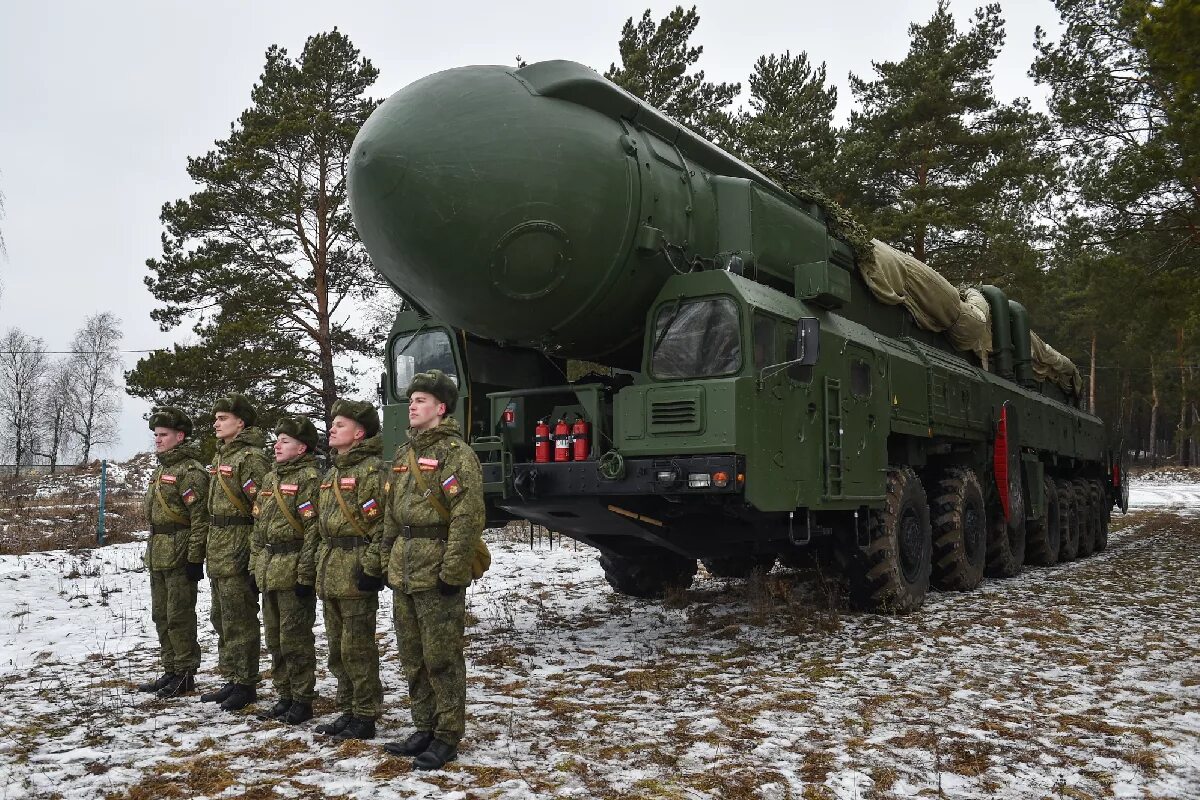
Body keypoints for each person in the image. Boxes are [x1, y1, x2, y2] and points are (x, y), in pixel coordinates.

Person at [367, 369, 485, 771]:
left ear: (441, 407)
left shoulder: (456, 453)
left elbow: (467, 517)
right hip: (403, 568)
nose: (412, 406)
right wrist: (384, 563)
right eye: (411, 400)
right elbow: (389, 517)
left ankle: (447, 734)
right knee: (412, 656)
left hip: (436, 569)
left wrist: (453, 572)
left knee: (442, 657)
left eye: (420, 400)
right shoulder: (403, 455)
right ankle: (423, 726)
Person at [301, 399, 385, 740]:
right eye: (332, 424)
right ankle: (347, 708)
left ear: (360, 433)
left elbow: (381, 527)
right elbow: (320, 528)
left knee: (358, 648)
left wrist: (372, 568)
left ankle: (365, 713)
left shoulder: (371, 471)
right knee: (337, 648)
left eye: (340, 425)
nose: (332, 429)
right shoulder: (332, 473)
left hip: (354, 570)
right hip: (330, 568)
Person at [199, 393, 269, 711]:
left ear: (240, 423)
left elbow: (262, 508)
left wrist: (254, 556)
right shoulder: (221, 457)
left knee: (239, 617)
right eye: (216, 418)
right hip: (219, 545)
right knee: (221, 617)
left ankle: (246, 682)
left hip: (239, 543)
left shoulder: (250, 458)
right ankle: (232, 676)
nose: (216, 422)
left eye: (223, 418)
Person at [250, 415, 321, 725]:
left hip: (292, 570)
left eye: (285, 441)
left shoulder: (309, 479)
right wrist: (255, 568)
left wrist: (305, 575)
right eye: (277, 439)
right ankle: (285, 695)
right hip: (269, 569)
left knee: (295, 639)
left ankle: (302, 699)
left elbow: (313, 531)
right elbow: (258, 527)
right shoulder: (269, 480)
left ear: (302, 447)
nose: (277, 445)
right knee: (276, 639)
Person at [138, 406, 209, 699]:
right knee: (161, 615)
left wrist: (194, 558)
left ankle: (185, 673)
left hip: (180, 552)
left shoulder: (190, 471)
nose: (157, 439)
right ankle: (170, 668)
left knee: (179, 615)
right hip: (159, 552)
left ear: (180, 436)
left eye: (163, 434)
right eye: (156, 435)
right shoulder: (161, 469)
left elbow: (200, 518)